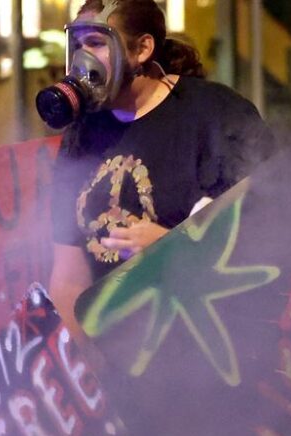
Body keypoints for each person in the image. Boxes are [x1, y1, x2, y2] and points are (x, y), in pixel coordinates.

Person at [45, 0, 276, 338]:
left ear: (142, 49)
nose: (83, 58)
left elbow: (273, 234)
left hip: (205, 351)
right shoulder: (81, 133)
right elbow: (68, 278)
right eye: (78, 45)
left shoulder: (215, 115)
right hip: (117, 358)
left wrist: (174, 248)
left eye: (96, 43)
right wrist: (86, 370)